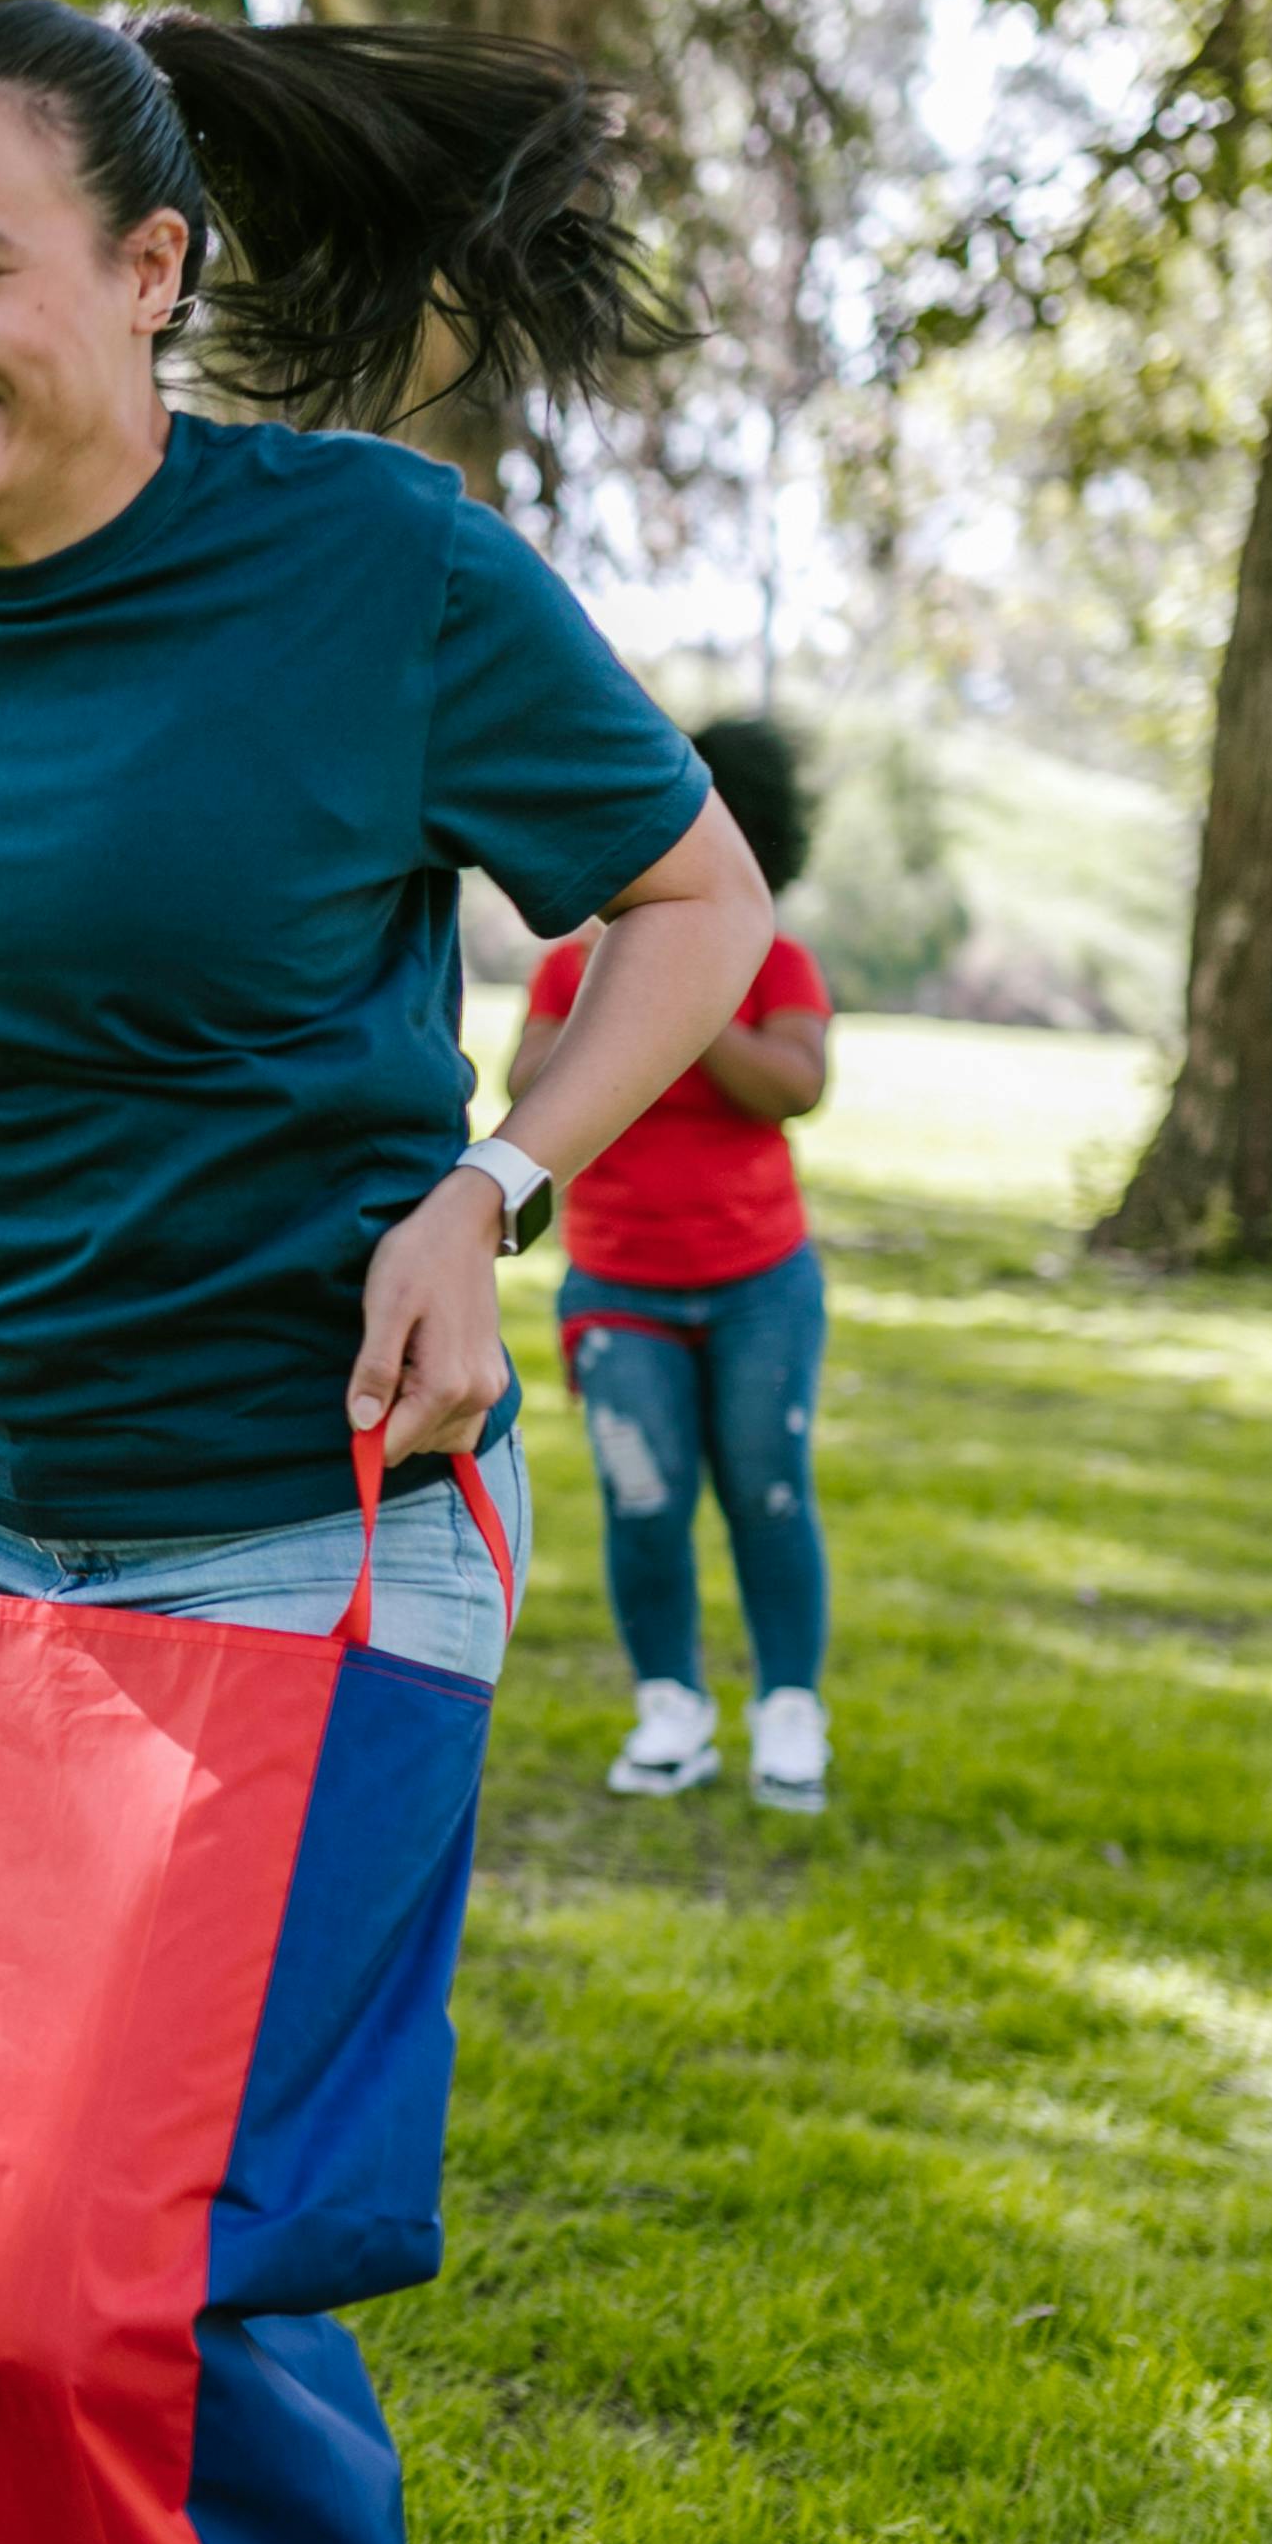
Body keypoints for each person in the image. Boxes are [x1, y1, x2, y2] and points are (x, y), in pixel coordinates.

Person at [0, 0, 770, 2544]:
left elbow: (678, 898)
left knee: (115, 2296)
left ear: (148, 280)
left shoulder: (370, 569)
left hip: (299, 1532)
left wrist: (485, 1186)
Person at [511, 716, 837, 1812]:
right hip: (618, 1283)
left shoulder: (774, 961)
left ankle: (788, 1712)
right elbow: (532, 1084)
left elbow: (794, 1083)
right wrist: (634, 981)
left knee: (768, 1491)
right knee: (642, 1500)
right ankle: (670, 1710)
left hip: (757, 1281)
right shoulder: (571, 969)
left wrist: (685, 994)